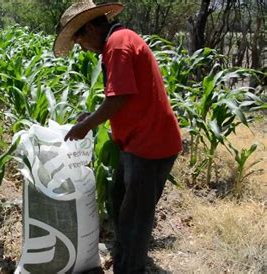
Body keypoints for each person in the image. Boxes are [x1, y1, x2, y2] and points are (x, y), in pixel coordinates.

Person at [54, 1, 183, 273]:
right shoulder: (118, 42)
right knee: (120, 201)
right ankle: (124, 257)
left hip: (150, 145)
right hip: (137, 142)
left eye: (79, 41)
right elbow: (122, 97)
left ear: (90, 28)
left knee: (136, 216)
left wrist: (87, 125)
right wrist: (92, 115)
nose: (83, 48)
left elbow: (120, 97)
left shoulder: (118, 44)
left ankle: (129, 268)